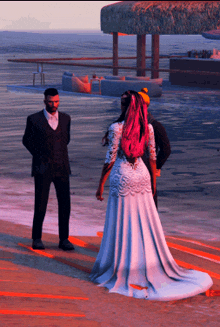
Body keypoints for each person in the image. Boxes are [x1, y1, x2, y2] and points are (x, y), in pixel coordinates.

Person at [90, 90, 212, 301]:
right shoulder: (147, 128)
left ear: (125, 106)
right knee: (144, 221)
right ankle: (146, 262)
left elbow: (110, 159)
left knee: (123, 221)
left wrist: (100, 185)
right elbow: (153, 158)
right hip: (143, 176)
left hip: (124, 175)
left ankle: (122, 264)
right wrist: (154, 183)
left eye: (122, 103)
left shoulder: (116, 127)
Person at [22, 88, 74, 251]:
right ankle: (37, 238)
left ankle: (64, 239)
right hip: (42, 168)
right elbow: (26, 140)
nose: (54, 104)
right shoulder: (33, 119)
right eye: (51, 101)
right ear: (44, 101)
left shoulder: (66, 118)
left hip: (62, 167)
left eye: (56, 101)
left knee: (65, 204)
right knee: (40, 204)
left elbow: (67, 139)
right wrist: (40, 155)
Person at [139, 88, 171, 207]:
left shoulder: (155, 126)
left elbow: (166, 150)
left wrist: (154, 167)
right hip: (138, 173)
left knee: (150, 207)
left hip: (147, 172)